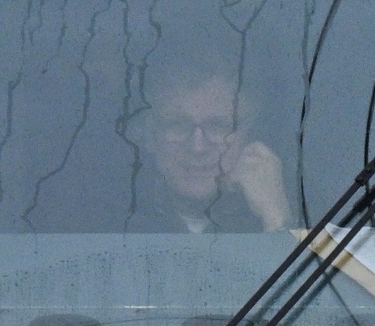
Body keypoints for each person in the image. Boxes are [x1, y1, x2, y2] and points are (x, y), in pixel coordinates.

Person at [124, 66, 292, 234]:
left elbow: (314, 259)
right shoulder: (110, 214)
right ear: (150, 135)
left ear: (249, 136)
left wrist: (277, 221)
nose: (198, 147)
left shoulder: (305, 204)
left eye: (218, 126)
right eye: (178, 124)